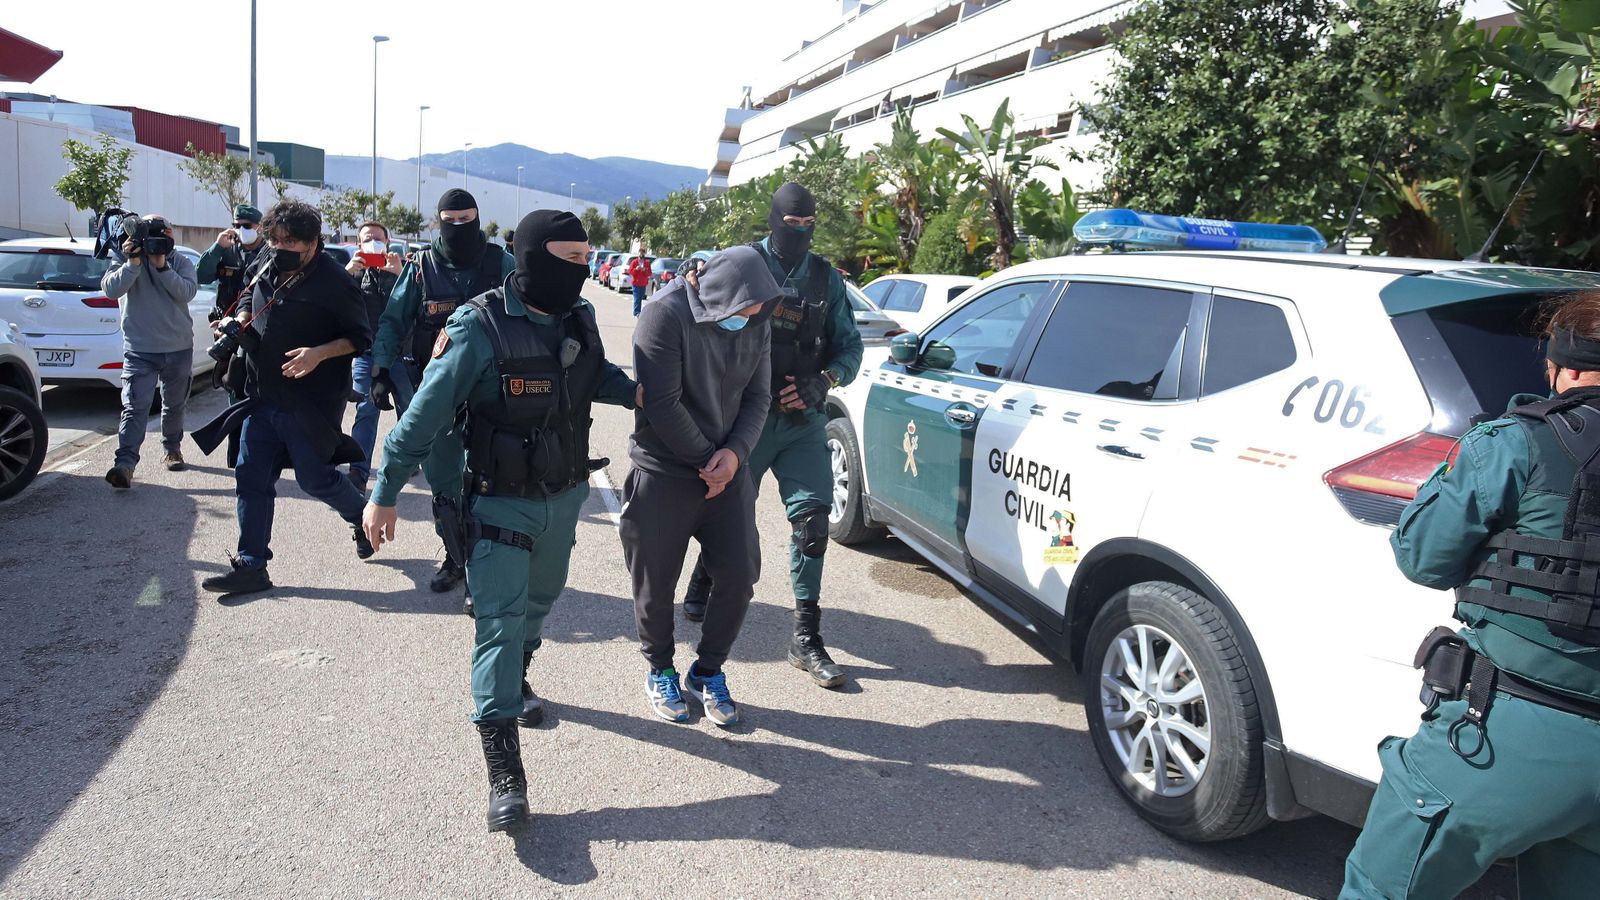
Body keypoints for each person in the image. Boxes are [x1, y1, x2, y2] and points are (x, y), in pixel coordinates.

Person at [361, 210, 637, 831]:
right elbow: (422, 418)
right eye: (569, 260)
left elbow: (599, 376)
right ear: (532, 256)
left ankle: (519, 676)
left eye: (587, 260)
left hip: (564, 499)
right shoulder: (477, 327)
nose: (582, 272)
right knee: (499, 623)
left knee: (538, 607)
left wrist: (648, 392)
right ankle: (503, 764)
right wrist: (383, 493)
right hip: (497, 501)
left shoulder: (579, 316)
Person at [1340, 293, 1600, 898]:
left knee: (1381, 887)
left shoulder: (1513, 442)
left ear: (1559, 368)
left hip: (1509, 737)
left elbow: (1423, 557)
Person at [680, 182, 864, 689]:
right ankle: (704, 573)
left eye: (809, 226)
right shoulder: (741, 264)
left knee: (813, 525)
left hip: (802, 424)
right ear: (773, 219)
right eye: (792, 224)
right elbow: (697, 296)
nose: (800, 233)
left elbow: (850, 349)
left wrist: (823, 380)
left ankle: (805, 637)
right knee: (722, 508)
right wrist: (687, 273)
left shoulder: (826, 280)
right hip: (745, 419)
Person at [623, 246, 778, 727]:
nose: (747, 322)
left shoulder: (757, 318)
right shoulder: (663, 316)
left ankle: (707, 670)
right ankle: (660, 669)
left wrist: (733, 457)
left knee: (739, 573)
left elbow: (759, 397)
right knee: (656, 583)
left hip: (727, 473)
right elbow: (662, 404)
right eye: (740, 314)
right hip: (666, 470)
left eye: (754, 315)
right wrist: (705, 462)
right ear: (717, 295)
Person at [192, 200, 374, 596]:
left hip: (309, 404)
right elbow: (246, 297)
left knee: (315, 479)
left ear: (313, 243)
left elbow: (361, 338)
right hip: (261, 395)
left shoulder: (336, 282)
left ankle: (364, 517)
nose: (280, 247)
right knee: (251, 477)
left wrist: (318, 354)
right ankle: (252, 565)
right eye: (274, 239)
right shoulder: (265, 265)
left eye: (290, 241)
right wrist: (238, 320)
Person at [370, 189, 514, 598]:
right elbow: (393, 322)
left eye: (465, 221)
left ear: (478, 219)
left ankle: (483, 569)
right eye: (449, 221)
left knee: (489, 484)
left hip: (492, 395)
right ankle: (455, 556)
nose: (457, 229)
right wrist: (381, 371)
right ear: (438, 221)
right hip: (436, 396)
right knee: (445, 486)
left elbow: (529, 312)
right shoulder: (421, 268)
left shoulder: (500, 264)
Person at [100, 214, 200, 488]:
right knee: (135, 407)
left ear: (170, 234)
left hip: (178, 347)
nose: (157, 238)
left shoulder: (180, 260)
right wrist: (132, 264)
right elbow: (110, 289)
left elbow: (187, 292)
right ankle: (125, 464)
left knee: (174, 404)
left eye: (162, 232)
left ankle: (171, 448)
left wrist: (162, 266)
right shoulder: (126, 256)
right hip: (140, 349)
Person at [344, 220, 403, 493]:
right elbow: (334, 305)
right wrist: (346, 275)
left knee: (411, 410)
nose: (373, 243)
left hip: (401, 356)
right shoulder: (351, 275)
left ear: (388, 243)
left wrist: (400, 275)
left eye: (378, 238)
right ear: (359, 245)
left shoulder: (403, 272)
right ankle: (358, 470)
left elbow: (416, 308)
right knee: (366, 410)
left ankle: (410, 461)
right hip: (367, 355)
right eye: (368, 239)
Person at [197, 204, 269, 401]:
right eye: (236, 225)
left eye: (247, 226)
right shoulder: (227, 252)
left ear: (259, 227)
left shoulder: (268, 254)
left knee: (258, 384)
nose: (240, 230)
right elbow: (201, 275)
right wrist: (217, 247)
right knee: (233, 383)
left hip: (256, 328)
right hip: (228, 329)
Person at [627, 251, 652, 317]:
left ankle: (639, 311)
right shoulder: (634, 262)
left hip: (643, 283)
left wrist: (644, 270)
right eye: (640, 256)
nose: (641, 258)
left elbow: (649, 273)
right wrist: (636, 269)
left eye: (642, 256)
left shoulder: (647, 263)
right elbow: (630, 272)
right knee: (637, 298)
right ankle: (636, 312)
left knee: (641, 298)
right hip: (636, 283)